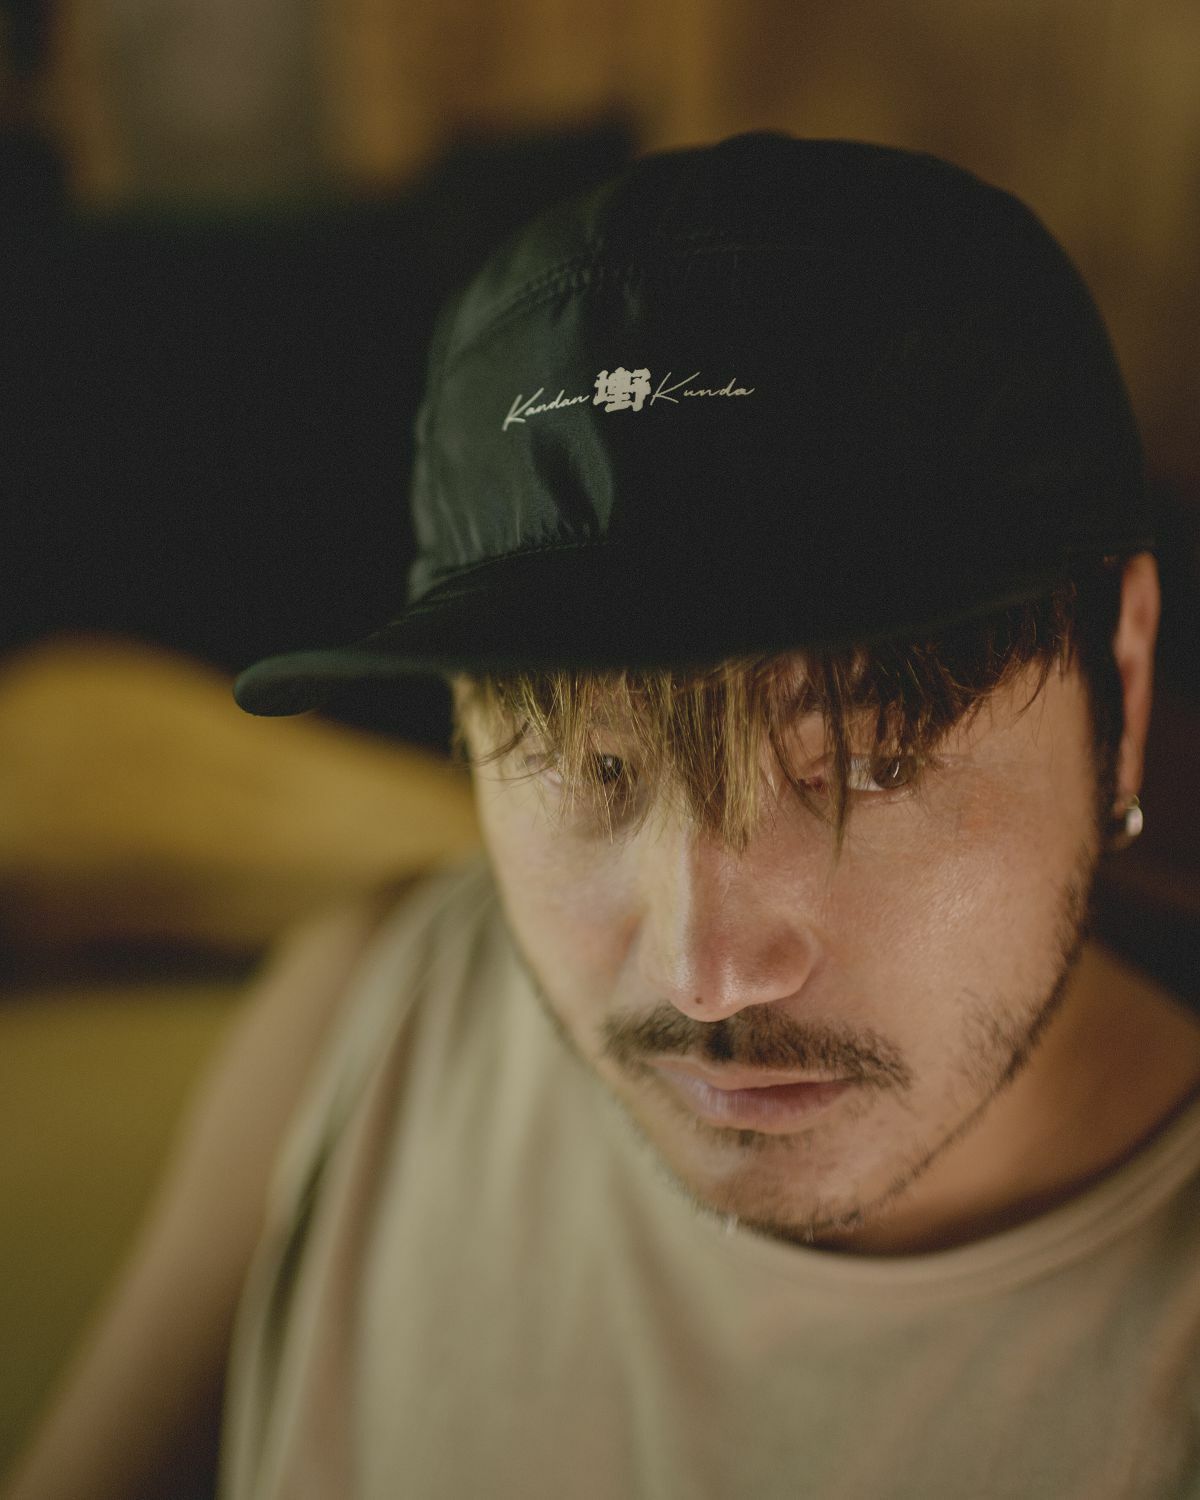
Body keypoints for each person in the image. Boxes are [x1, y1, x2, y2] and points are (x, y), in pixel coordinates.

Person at [8, 132, 1200, 1500]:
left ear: (1122, 675)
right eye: (593, 771)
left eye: (871, 765)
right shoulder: (371, 1014)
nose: (705, 971)